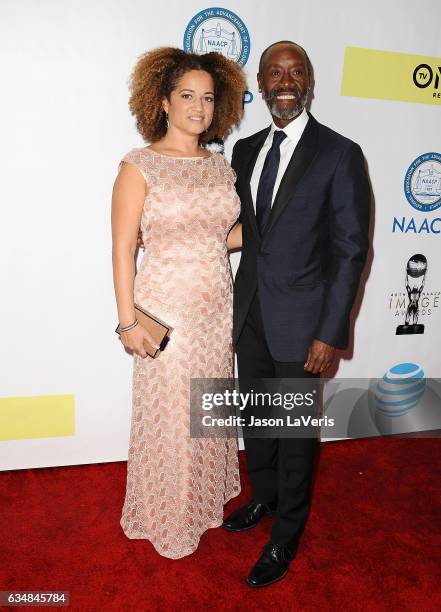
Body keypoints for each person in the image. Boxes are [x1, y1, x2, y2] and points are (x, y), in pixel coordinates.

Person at [222, 41, 371, 587]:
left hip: (305, 321)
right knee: (257, 422)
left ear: (309, 82)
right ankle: (264, 498)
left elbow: (351, 248)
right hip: (251, 313)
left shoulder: (339, 153)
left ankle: (286, 537)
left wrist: (330, 332)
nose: (286, 81)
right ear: (259, 85)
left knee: (294, 433)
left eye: (296, 72)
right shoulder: (245, 150)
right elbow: (245, 232)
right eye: (274, 73)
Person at [111, 47, 246, 559]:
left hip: (216, 308)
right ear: (163, 102)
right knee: (172, 416)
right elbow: (124, 248)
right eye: (187, 95)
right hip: (167, 313)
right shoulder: (139, 166)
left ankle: (204, 502)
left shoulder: (221, 168)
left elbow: (222, 237)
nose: (199, 107)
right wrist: (127, 324)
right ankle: (169, 516)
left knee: (206, 411)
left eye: (208, 98)